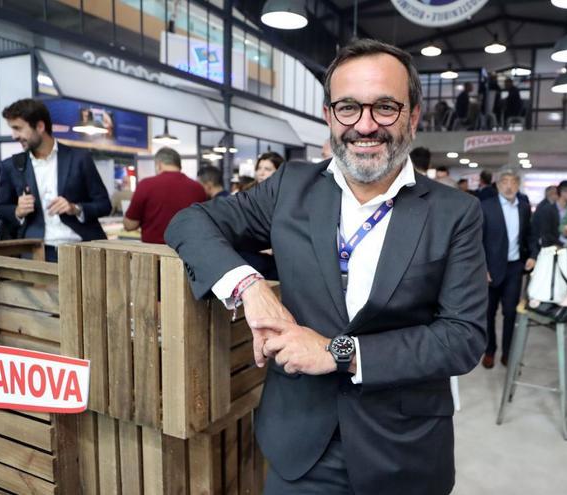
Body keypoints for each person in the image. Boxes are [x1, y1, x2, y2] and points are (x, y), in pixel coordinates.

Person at [165, 38, 486, 495]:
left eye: (386, 108)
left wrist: (339, 352)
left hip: (403, 451)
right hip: (300, 442)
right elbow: (191, 222)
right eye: (348, 108)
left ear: (414, 116)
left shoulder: (456, 212)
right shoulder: (291, 188)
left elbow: (463, 337)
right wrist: (251, 289)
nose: (365, 125)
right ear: (329, 115)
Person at [0, 98, 111, 262]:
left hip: (80, 250)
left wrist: (75, 208)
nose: (14, 136)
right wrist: (17, 211)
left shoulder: (79, 159)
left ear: (40, 127)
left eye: (18, 128)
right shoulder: (11, 166)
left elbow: (104, 205)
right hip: (34, 252)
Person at [480, 169, 534, 368]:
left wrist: (532, 257)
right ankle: (490, 350)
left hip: (514, 268)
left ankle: (508, 352)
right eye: (504, 182)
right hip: (490, 270)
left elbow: (529, 235)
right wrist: (481, 267)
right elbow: (477, 240)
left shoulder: (524, 208)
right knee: (488, 313)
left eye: (513, 182)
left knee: (511, 313)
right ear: (497, 185)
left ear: (518, 185)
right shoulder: (485, 207)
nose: (509, 186)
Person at [123, 147, 206, 244]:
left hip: (154, 254)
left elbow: (130, 225)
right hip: (187, 253)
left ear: (158, 165)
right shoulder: (198, 188)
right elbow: (203, 224)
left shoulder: (146, 185)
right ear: (179, 166)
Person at [531, 180, 567, 251]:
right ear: (563, 192)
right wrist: (562, 244)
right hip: (552, 249)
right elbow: (546, 234)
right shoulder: (547, 210)